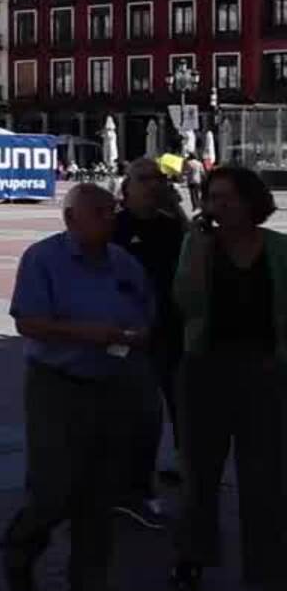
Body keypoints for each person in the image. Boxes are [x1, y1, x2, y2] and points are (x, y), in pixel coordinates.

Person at [0, 182, 156, 591]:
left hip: (111, 382)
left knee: (101, 489)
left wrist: (141, 333)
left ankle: (91, 585)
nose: (111, 220)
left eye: (112, 211)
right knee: (55, 487)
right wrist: (85, 333)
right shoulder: (43, 259)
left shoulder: (123, 261)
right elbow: (28, 322)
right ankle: (21, 545)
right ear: (72, 219)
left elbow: (145, 307)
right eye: (101, 213)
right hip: (57, 383)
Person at [170, 164, 287, 591]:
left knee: (267, 477)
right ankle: (192, 555)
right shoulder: (197, 245)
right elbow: (186, 301)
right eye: (212, 198)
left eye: (226, 198)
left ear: (250, 202)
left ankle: (274, 573)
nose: (216, 206)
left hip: (266, 372)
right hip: (205, 369)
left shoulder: (278, 249)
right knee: (199, 471)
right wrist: (199, 247)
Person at [112, 156, 188, 530]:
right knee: (138, 414)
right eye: (145, 179)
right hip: (126, 336)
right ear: (126, 189)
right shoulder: (114, 227)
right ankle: (133, 487)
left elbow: (192, 263)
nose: (154, 184)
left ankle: (185, 465)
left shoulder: (172, 226)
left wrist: (177, 209)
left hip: (171, 331)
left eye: (158, 178)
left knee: (182, 402)